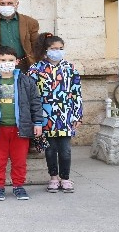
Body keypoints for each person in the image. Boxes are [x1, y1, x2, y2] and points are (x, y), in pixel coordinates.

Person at [0, 46, 43, 201]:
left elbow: (35, 103)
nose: (7, 63)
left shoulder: (27, 81)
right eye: (3, 60)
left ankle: (18, 186)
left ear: (17, 62)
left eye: (11, 60)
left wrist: (37, 122)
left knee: (19, 160)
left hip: (20, 128)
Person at [28, 33, 83, 193]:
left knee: (65, 150)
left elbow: (76, 92)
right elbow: (31, 94)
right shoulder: (36, 69)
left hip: (65, 116)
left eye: (60, 49)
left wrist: (77, 114)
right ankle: (53, 178)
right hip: (46, 117)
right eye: (53, 49)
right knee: (50, 149)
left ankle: (65, 178)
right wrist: (34, 117)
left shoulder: (70, 68)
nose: (57, 51)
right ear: (46, 50)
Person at [0, 0, 40, 72]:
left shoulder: (30, 22)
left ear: (17, 4)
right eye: (2, 3)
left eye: (10, 3)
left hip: (24, 65)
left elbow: (36, 46)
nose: (6, 6)